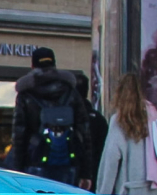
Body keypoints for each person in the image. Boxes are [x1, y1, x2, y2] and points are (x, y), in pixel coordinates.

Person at [6, 48, 95, 187]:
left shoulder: (25, 94)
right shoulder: (70, 92)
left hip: (34, 163)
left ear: (33, 66)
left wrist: (17, 171)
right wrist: (86, 173)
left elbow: (19, 136)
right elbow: (85, 133)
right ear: (54, 65)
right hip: (68, 162)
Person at [93, 71, 157, 195]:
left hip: (132, 194)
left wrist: (102, 194)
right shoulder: (153, 115)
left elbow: (111, 159)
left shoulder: (118, 120)